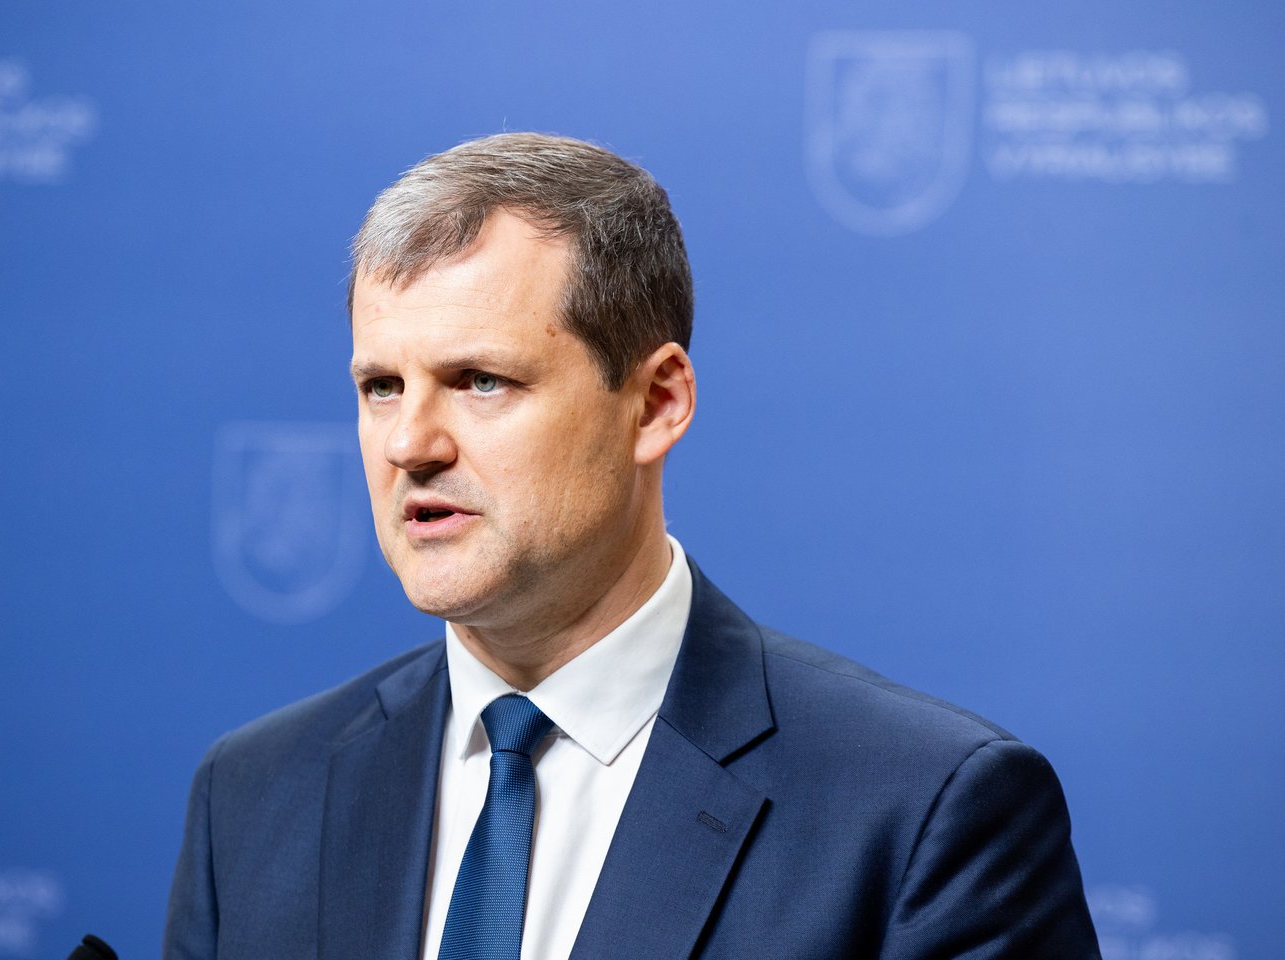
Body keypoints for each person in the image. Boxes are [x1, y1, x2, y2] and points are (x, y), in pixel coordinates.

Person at [163, 132, 1101, 960]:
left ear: (656, 404)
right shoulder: (250, 798)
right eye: (381, 387)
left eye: (481, 381)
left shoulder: (921, 810)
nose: (410, 444)